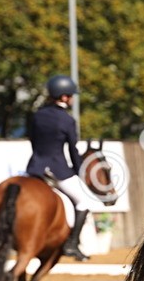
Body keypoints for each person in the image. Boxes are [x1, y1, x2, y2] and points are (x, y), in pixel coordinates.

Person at [25, 75, 98, 261]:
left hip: (36, 168)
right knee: (83, 202)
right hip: (57, 170)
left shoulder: (37, 115)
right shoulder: (67, 120)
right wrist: (79, 171)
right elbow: (73, 150)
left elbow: (33, 141)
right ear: (64, 97)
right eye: (71, 95)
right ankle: (71, 244)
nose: (72, 99)